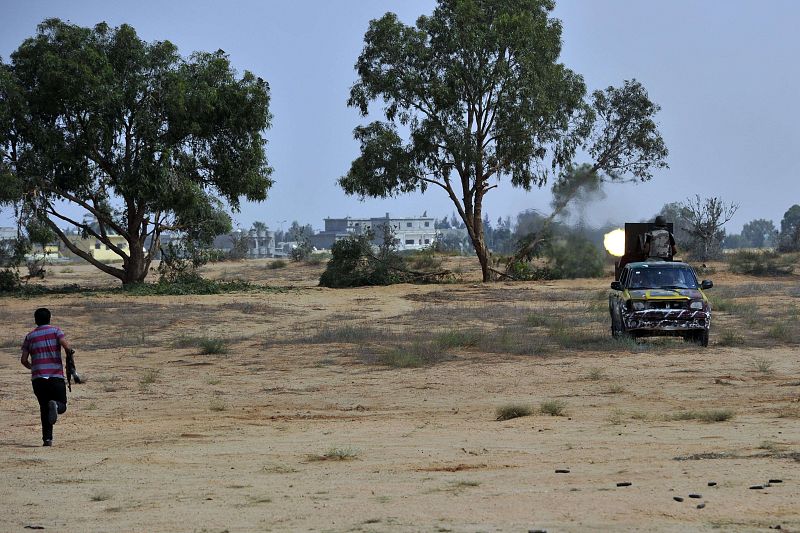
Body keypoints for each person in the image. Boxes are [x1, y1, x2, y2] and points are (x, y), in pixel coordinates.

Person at [20, 308, 74, 447]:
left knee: (44, 408)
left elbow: (24, 360)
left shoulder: (29, 336)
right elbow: (67, 347)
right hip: (55, 375)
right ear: (49, 318)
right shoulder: (56, 331)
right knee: (61, 405)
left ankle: (47, 439)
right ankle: (56, 405)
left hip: (38, 379)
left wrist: (34, 368)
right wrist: (69, 358)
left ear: (35, 320)